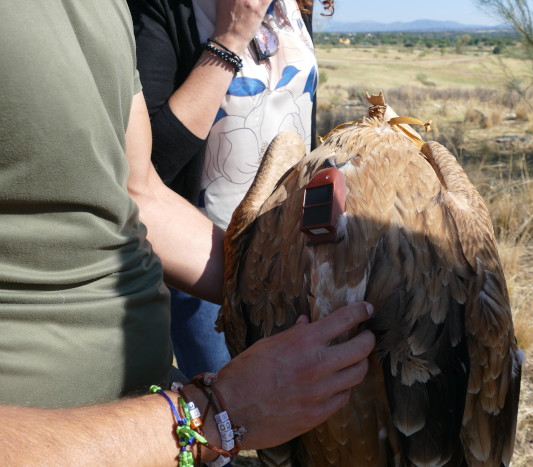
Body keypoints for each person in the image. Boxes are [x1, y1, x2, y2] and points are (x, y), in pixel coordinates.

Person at [0, 1, 374, 464]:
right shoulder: (156, 11)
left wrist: (304, 287)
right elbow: (161, 160)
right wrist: (214, 412)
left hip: (157, 398)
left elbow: (138, 193)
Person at [127, 0, 334, 378]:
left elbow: (299, 110)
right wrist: (231, 38)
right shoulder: (162, 9)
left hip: (297, 253)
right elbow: (150, 165)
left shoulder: (292, 7)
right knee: (229, 417)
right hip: (207, 260)